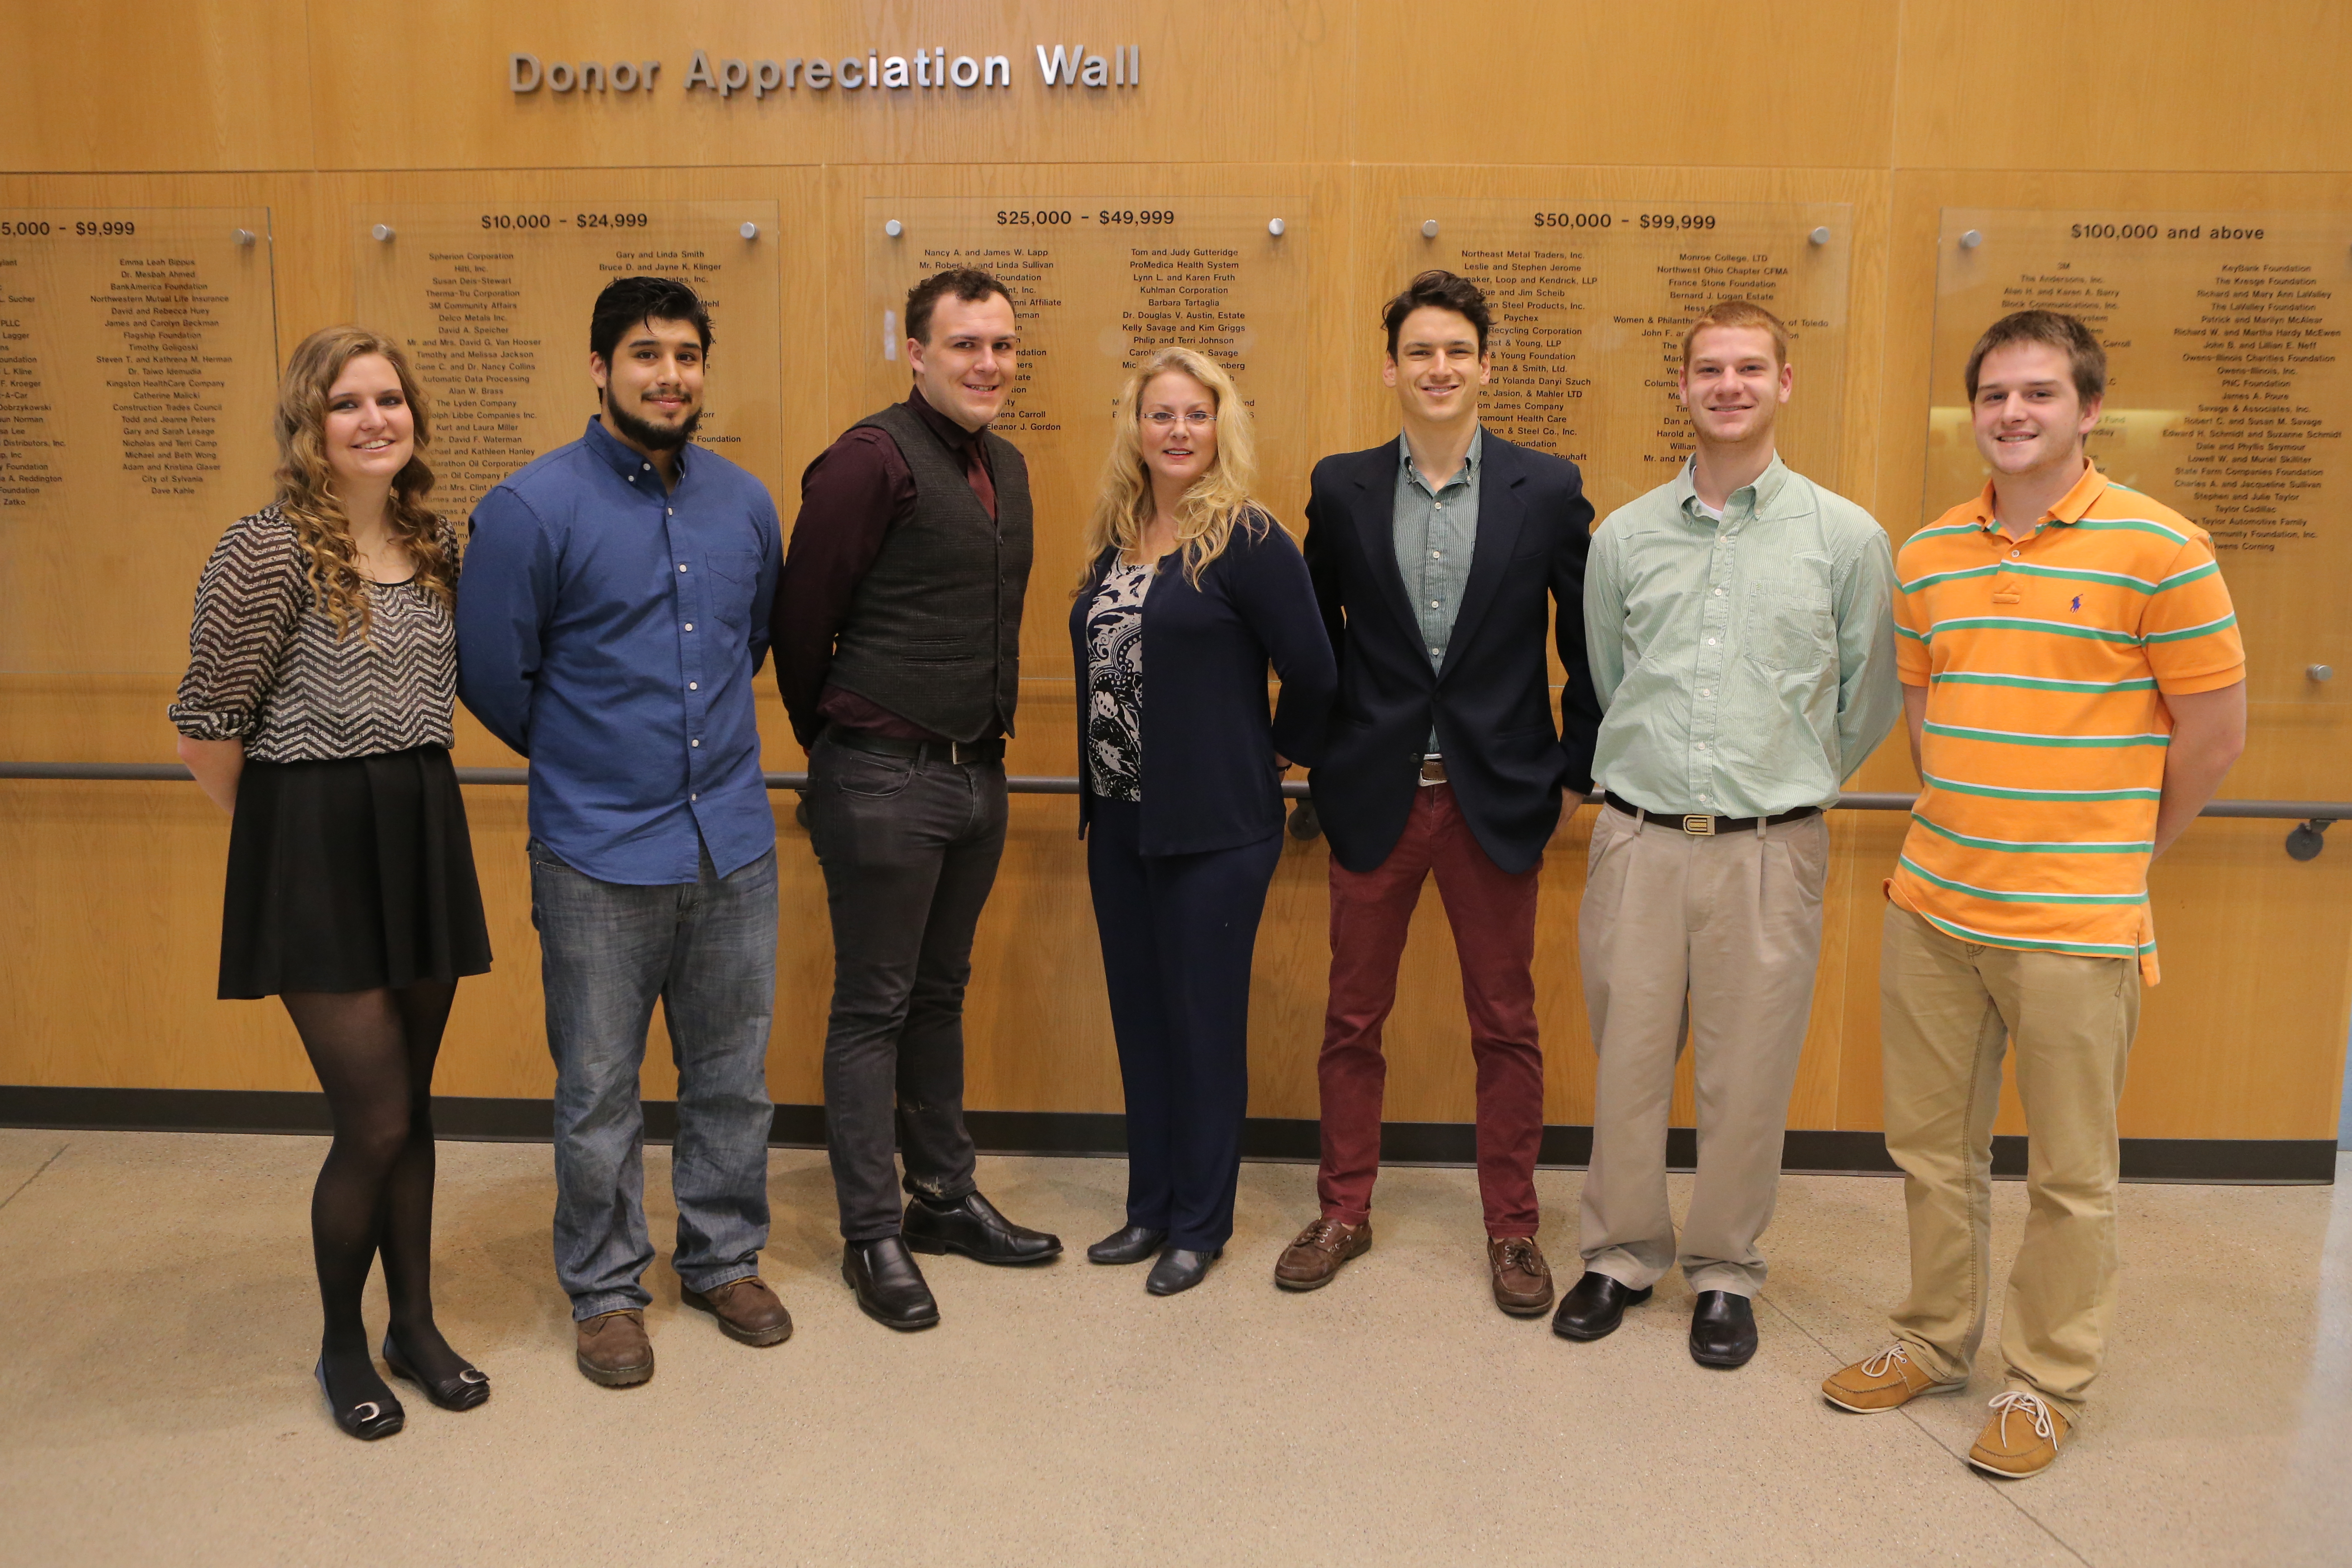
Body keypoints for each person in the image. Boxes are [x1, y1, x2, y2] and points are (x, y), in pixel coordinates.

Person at [1821, 309, 2245, 1478]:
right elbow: (1925, 718)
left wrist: (2120, 850)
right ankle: (1930, 1340)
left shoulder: (2163, 549)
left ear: (2090, 410)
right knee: (1931, 1152)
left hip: (2074, 923)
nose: (2013, 414)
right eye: (1995, 395)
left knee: (2070, 1174)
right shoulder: (1928, 554)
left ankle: (2047, 1385)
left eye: (2040, 394)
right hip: (1935, 905)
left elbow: (2215, 735)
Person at [456, 277, 790, 1387]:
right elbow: (499, 681)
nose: (670, 375)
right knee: (599, 1089)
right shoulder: (529, 509)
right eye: (646, 355)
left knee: (733, 1075)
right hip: (597, 848)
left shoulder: (743, 504)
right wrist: (602, 757)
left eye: (688, 355)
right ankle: (605, 1292)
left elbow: (746, 651)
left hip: (729, 842)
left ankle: (722, 1257)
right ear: (599, 369)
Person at [1561, 300, 1899, 1367]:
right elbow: (1613, 685)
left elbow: (1866, 698)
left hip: (1769, 847)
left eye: (1751, 368)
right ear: (1683, 388)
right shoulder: (1623, 535)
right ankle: (1618, 1255)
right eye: (1710, 369)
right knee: (1625, 1063)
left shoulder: (1843, 539)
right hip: (1639, 840)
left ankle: (1724, 1272)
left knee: (1749, 1073)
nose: (1730, 386)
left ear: (1785, 384)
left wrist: (1784, 787)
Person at [172, 326, 494, 1440]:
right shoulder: (265, 553)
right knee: (375, 1118)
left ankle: (416, 1325)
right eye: (348, 403)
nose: (374, 420)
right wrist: (279, 841)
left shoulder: (436, 541)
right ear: (310, 425)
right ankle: (342, 1344)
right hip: (313, 839)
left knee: (416, 1110)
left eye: (390, 400)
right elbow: (208, 728)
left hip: (417, 826)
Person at [1278, 270, 1603, 1317]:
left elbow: (1586, 643)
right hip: (1375, 792)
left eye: (1457, 351)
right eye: (1420, 351)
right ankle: (1344, 1211)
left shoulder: (1546, 489)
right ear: (1392, 367)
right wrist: (1313, 755)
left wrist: (1574, 767)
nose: (1439, 368)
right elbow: (1315, 642)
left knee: (1506, 1023)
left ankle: (1514, 1229)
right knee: (1351, 1018)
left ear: (1485, 367)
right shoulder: (1341, 486)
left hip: (1494, 799)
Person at [773, 266, 1059, 1332]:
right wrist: (840, 743)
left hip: (976, 775)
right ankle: (871, 1235)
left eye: (1002, 346)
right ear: (916, 352)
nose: (988, 364)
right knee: (873, 1010)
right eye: (965, 346)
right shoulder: (868, 461)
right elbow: (802, 624)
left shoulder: (1010, 465)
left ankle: (942, 1198)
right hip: (885, 774)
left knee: (940, 998)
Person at [1070, 347, 1335, 1297]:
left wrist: (1274, 755)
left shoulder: (1248, 540)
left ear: (1220, 427)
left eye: (1195, 414)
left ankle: (1200, 1224)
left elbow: (1315, 671)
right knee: (1141, 1023)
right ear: (1135, 430)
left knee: (1203, 1025)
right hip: (1122, 823)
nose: (1177, 431)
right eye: (1160, 414)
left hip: (1217, 829)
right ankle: (1149, 1209)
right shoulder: (1117, 537)